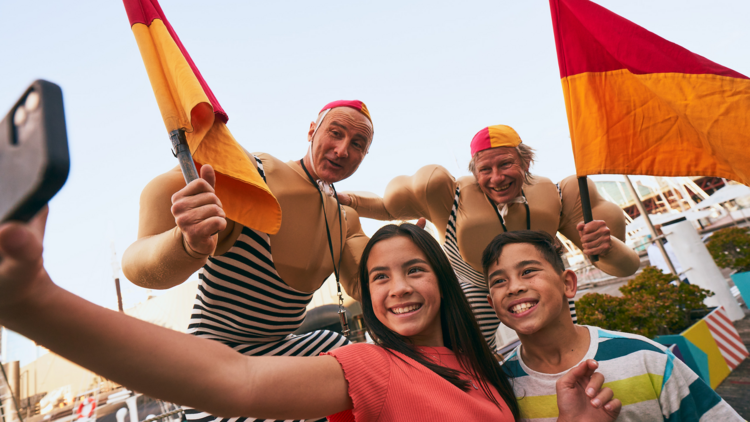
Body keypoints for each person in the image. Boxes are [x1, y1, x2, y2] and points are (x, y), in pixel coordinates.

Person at [0, 212, 623, 422]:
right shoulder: (369, 364)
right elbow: (231, 379)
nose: (397, 289)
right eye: (378, 277)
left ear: (442, 281)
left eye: (414, 270)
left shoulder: (484, 367)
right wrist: (38, 303)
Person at [121, 100, 373, 422]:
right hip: (214, 360)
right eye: (335, 133)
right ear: (312, 131)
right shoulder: (252, 174)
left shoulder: (344, 220)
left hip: (280, 354)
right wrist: (186, 244)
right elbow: (136, 261)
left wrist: (412, 251)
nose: (341, 150)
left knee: (345, 351)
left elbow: (373, 283)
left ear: (364, 155)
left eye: (357, 144)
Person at [338, 125, 640, 349]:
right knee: (465, 357)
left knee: (565, 347)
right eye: (486, 169)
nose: (497, 178)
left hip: (539, 282)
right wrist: (348, 200)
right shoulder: (450, 197)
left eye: (506, 164)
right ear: (474, 172)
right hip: (474, 284)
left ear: (525, 163)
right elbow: (389, 206)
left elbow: (624, 266)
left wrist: (606, 245)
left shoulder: (559, 195)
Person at [482, 230, 743, 421]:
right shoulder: (498, 389)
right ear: (492, 304)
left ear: (568, 284)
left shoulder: (644, 357)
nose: (514, 287)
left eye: (528, 271)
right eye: (498, 281)